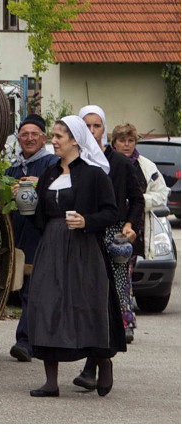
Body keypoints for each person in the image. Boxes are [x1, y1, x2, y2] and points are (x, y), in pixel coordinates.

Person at [25, 115, 123, 398]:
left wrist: (86, 221)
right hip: (51, 247)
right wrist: (28, 205)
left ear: (75, 140)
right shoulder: (50, 174)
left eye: (58, 137)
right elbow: (40, 218)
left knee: (86, 305)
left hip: (83, 250)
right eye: (53, 136)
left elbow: (111, 212)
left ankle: (102, 362)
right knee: (46, 304)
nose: (53, 141)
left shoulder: (94, 175)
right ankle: (51, 381)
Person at [77, 105, 144, 357]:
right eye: (86, 126)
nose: (92, 131)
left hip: (113, 230)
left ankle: (121, 325)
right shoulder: (76, 162)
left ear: (104, 129)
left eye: (97, 126)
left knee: (117, 280)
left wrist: (129, 224)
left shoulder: (119, 163)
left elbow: (137, 199)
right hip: (84, 230)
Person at [6, 115, 60, 362]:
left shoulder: (53, 165)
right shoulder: (12, 168)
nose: (29, 138)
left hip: (40, 234)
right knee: (24, 287)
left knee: (32, 288)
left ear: (43, 138)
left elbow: (61, 193)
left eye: (34, 134)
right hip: (16, 233)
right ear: (19, 138)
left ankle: (25, 341)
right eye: (25, 134)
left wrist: (41, 184)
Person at [111, 122, 171, 261]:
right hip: (110, 228)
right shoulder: (105, 164)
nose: (127, 144)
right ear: (114, 143)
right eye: (122, 140)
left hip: (137, 231)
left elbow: (162, 195)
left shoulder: (148, 167)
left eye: (130, 140)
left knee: (129, 274)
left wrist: (138, 201)